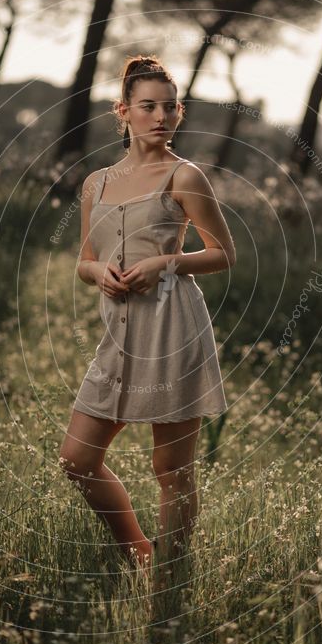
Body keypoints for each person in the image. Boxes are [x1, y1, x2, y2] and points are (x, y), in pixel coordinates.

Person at [59, 54, 236, 577]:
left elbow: (223, 253)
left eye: (170, 106)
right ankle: (139, 551)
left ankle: (169, 582)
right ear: (124, 111)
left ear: (179, 112)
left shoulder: (186, 176)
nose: (160, 116)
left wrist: (166, 261)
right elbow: (85, 260)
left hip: (172, 328)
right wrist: (98, 276)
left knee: (171, 468)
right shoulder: (97, 183)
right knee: (77, 459)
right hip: (118, 332)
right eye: (147, 106)